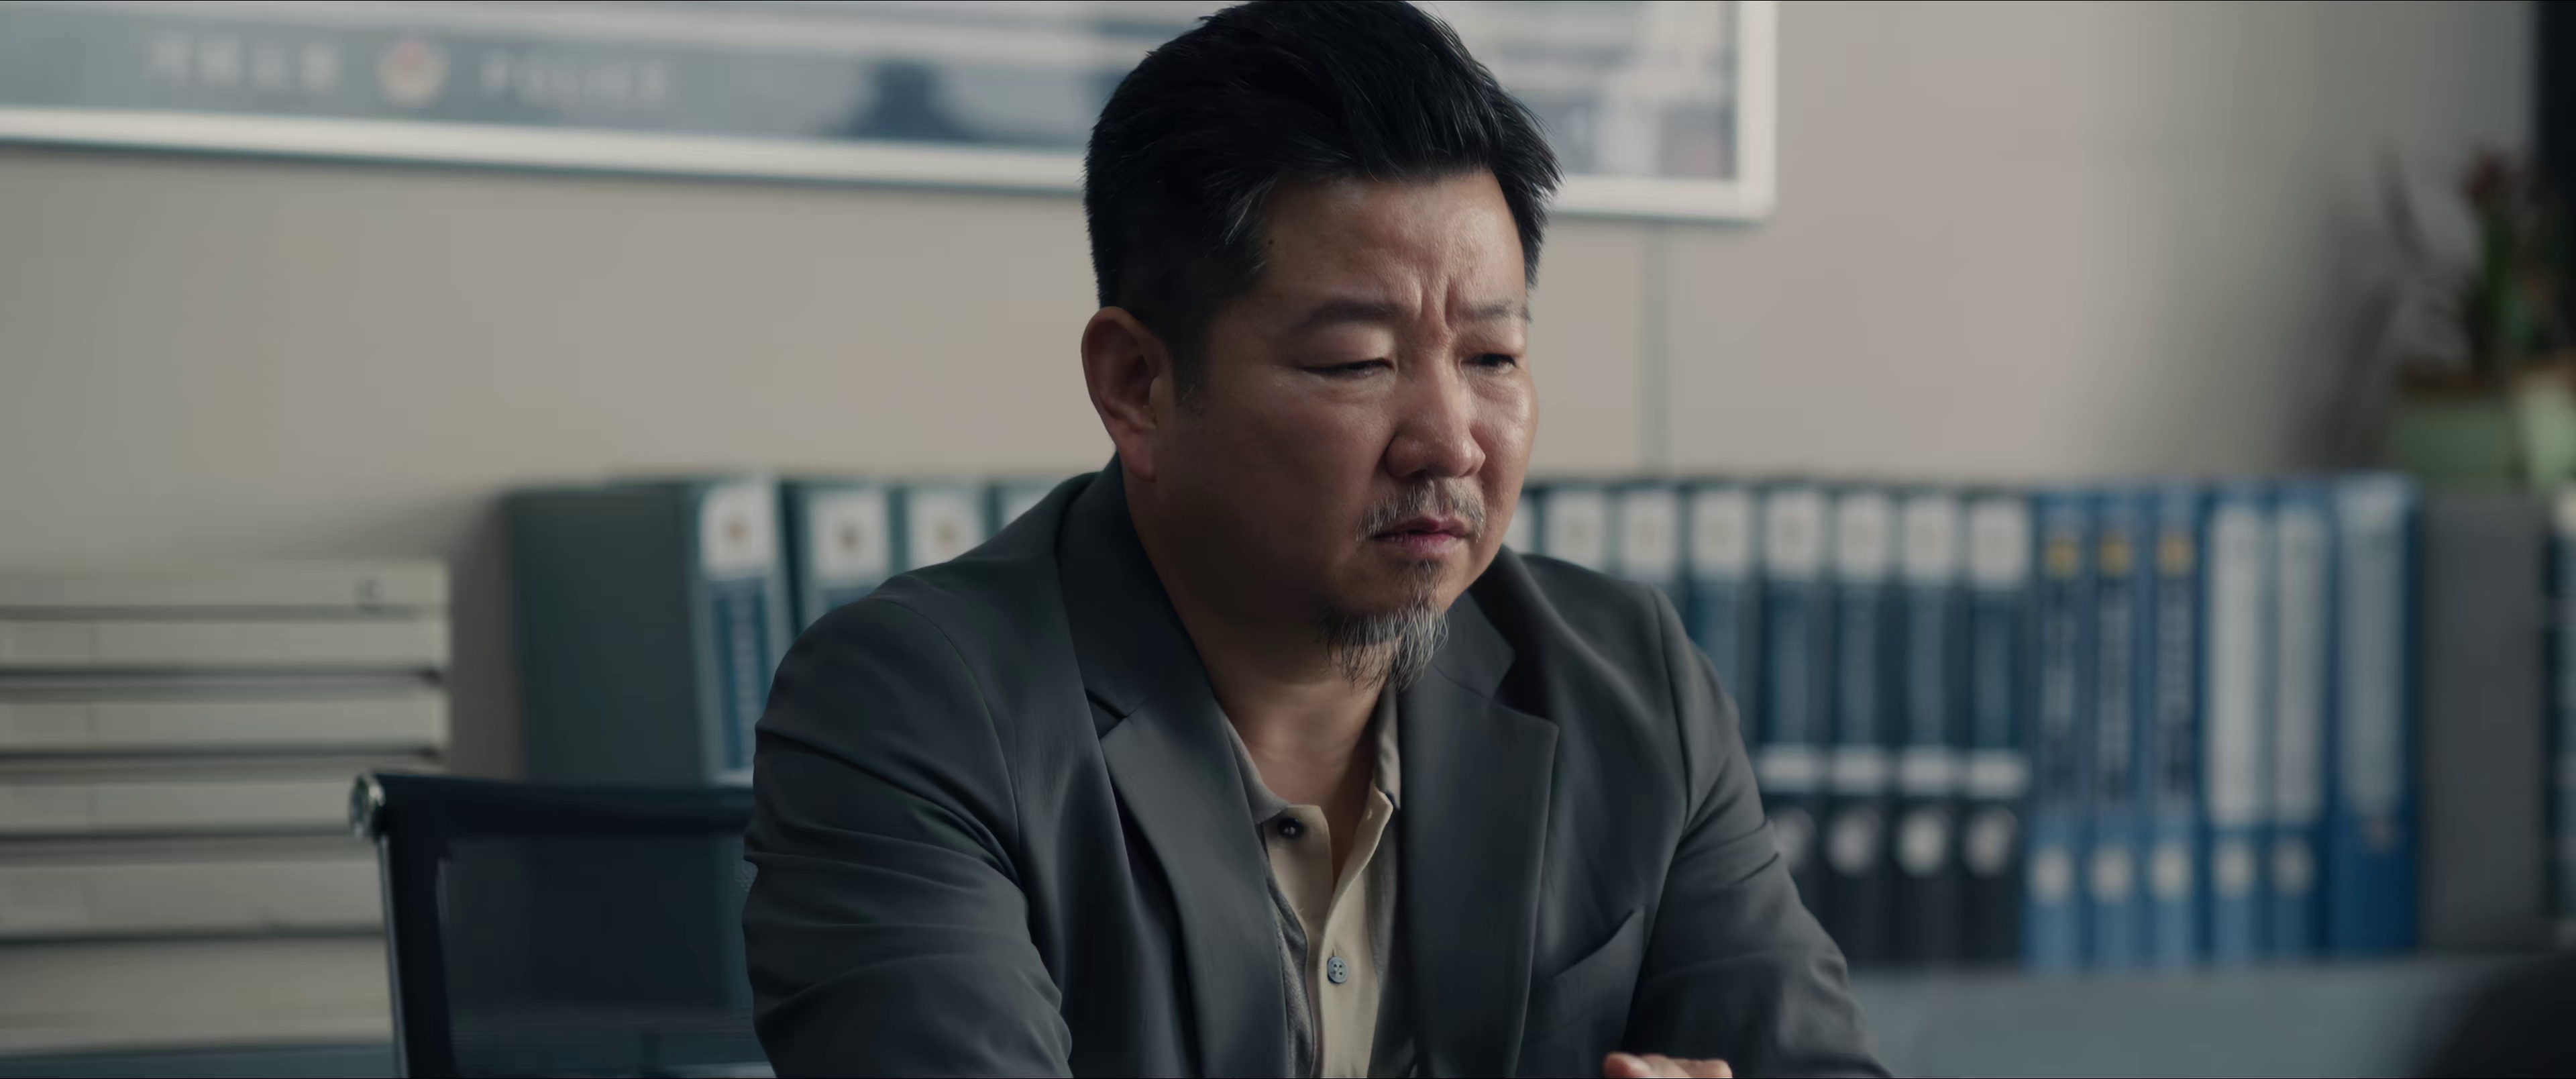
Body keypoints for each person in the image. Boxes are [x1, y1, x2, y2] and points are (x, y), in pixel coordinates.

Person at [742, 3, 1883, 1076]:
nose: (1450, 441)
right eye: (1357, 363)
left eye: (1492, 357)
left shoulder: (1629, 684)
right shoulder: (916, 705)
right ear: (1137, 386)